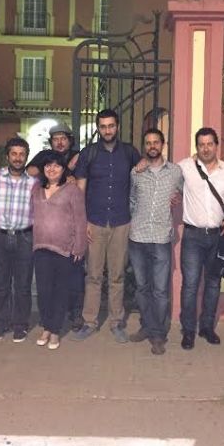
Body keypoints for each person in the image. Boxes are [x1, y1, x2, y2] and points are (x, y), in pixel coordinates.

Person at [72, 109, 141, 343]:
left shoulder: (129, 153)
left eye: (111, 126)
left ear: (117, 126)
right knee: (93, 275)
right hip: (95, 222)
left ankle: (116, 322)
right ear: (98, 128)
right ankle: (89, 321)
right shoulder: (89, 153)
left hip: (121, 222)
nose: (107, 130)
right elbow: (80, 191)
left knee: (117, 275)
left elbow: (145, 173)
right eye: (103, 126)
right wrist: (82, 222)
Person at [178, 127, 224, 350]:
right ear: (196, 147)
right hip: (193, 236)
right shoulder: (185, 167)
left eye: (209, 144)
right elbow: (164, 171)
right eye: (201, 145)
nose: (205, 148)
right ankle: (188, 330)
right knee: (190, 284)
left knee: (214, 282)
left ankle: (206, 327)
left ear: (216, 146)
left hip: (219, 235)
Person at [128, 128, 183, 355]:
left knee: (160, 290)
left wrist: (177, 197)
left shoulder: (176, 172)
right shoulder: (136, 172)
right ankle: (146, 326)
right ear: (144, 146)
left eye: (156, 142)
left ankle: (158, 334)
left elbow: (184, 192)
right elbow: (131, 199)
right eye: (148, 143)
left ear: (163, 144)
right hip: (138, 237)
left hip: (161, 237)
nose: (152, 146)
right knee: (142, 287)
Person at [27, 122, 84, 331]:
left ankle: (75, 312)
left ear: (70, 140)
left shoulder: (79, 156)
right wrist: (57, 171)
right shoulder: (45, 156)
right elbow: (30, 170)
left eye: (63, 138)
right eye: (55, 139)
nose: (59, 142)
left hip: (71, 227)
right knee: (48, 281)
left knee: (75, 276)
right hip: (46, 236)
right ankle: (49, 316)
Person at [0, 137, 38, 343]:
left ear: (26, 157)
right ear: (7, 156)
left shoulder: (34, 183)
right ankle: (1, 324)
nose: (18, 158)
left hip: (25, 238)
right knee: (1, 284)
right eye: (14, 154)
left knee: (23, 285)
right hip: (0, 237)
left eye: (22, 154)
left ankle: (20, 325)